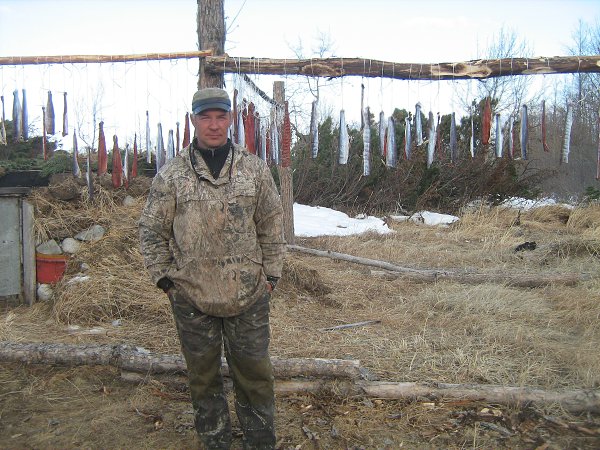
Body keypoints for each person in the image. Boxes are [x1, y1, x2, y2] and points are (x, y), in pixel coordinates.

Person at [139, 87, 286, 449]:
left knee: (255, 376)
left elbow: (271, 224)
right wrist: (166, 282)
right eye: (206, 117)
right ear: (194, 120)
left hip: (248, 295)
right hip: (192, 297)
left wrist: (270, 276)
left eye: (221, 116)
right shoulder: (172, 175)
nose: (214, 125)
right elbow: (151, 231)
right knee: (203, 380)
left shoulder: (254, 169)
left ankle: (259, 443)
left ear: (231, 119)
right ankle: (215, 441)